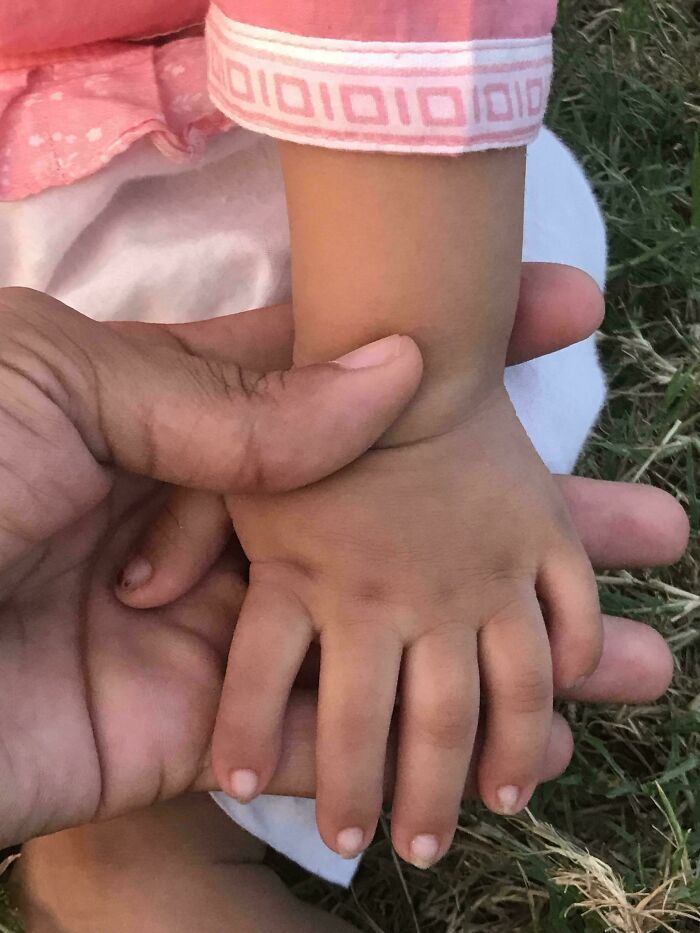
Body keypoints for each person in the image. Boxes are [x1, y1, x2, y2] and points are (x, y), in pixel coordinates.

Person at [0, 282, 685, 933]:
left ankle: (134, 843)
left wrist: (419, 433)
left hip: (379, 268)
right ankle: (130, 842)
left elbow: (412, 160)